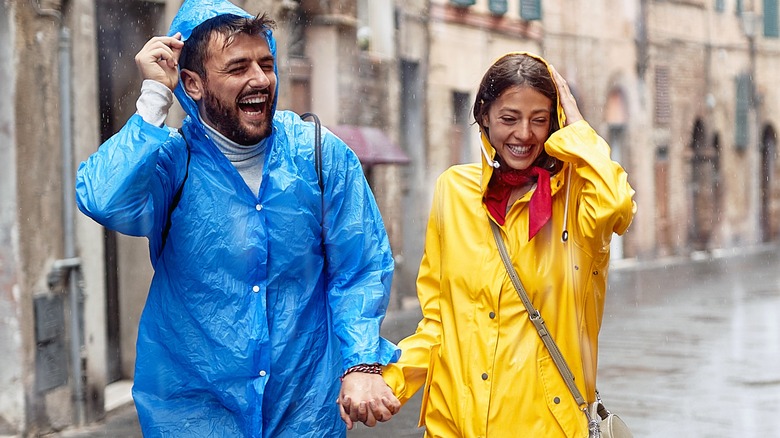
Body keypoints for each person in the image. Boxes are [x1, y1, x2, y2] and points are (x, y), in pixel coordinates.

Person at [75, 0, 400, 435]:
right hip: (194, 410)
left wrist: (360, 362)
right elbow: (102, 198)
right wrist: (154, 96)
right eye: (238, 67)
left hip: (303, 408)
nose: (260, 79)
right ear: (192, 83)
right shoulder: (173, 162)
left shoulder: (320, 156)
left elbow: (359, 268)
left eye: (266, 63)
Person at [380, 52, 636, 437]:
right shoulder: (453, 191)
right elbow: (438, 322)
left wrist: (579, 129)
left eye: (539, 120)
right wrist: (390, 383)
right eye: (509, 118)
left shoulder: (575, 202)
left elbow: (617, 206)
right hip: (454, 426)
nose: (524, 135)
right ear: (483, 116)